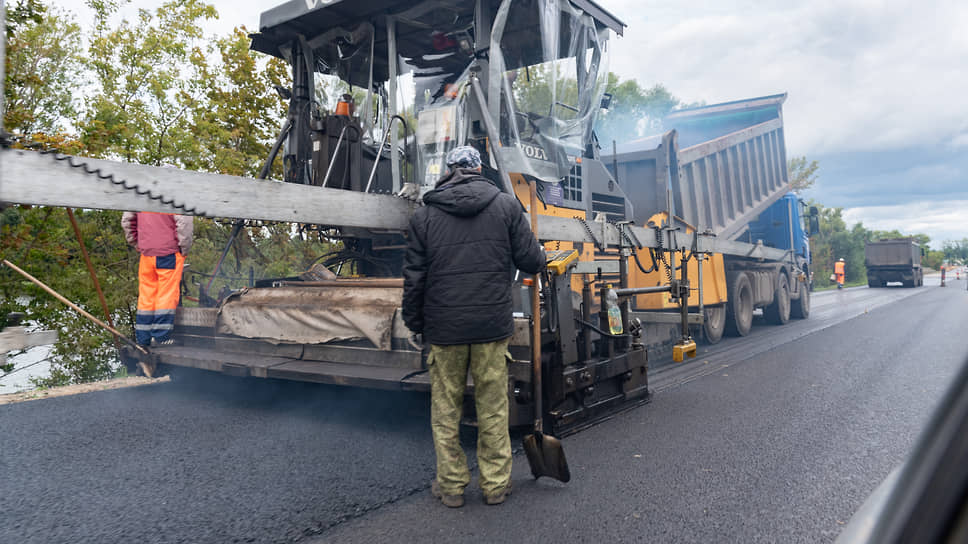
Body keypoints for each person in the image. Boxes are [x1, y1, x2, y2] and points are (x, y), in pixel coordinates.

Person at [402, 145, 545, 508]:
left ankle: (451, 488)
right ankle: (495, 486)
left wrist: (415, 322)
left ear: (449, 171)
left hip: (444, 329)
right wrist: (539, 251)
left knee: (446, 411)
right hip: (491, 329)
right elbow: (531, 261)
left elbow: (414, 278)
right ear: (480, 169)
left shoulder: (425, 216)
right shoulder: (507, 206)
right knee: (493, 408)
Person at [122, 211, 193, 347]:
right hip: (169, 253)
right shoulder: (176, 193)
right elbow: (184, 223)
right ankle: (161, 337)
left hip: (146, 254)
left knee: (146, 297)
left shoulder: (139, 193)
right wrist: (184, 248)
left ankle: (143, 339)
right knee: (166, 295)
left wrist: (137, 243)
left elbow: (127, 221)